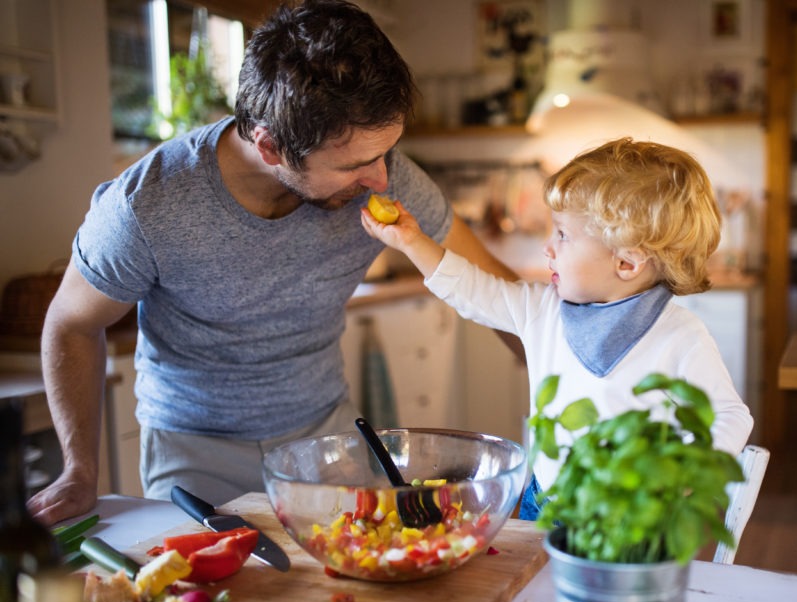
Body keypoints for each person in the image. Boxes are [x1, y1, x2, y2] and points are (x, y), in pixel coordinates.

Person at [28, 0, 518, 525]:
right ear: (269, 147)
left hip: (328, 441)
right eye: (354, 164)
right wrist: (79, 470)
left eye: (386, 153)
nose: (381, 180)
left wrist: (585, 385)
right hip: (195, 454)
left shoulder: (389, 175)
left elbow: (497, 294)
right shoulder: (147, 204)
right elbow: (72, 325)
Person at [361, 137, 754, 521]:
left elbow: (731, 415)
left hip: (629, 521)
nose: (548, 247)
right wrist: (411, 242)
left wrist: (679, 481)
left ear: (627, 263)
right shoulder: (542, 308)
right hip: (545, 503)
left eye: (564, 235)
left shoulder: (680, 335)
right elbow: (471, 289)